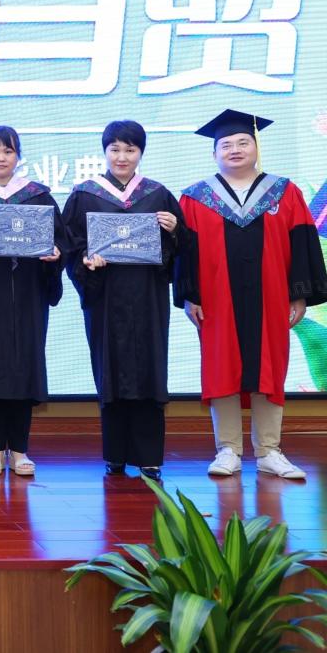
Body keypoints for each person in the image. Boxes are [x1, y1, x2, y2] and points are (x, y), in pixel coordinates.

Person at [176, 110, 327, 479]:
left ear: (256, 146)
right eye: (226, 144)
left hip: (271, 298)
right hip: (216, 301)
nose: (235, 149)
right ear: (214, 153)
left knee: (269, 367)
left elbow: (302, 245)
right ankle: (227, 449)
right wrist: (189, 295)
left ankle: (269, 451)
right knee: (221, 367)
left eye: (243, 142)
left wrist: (299, 294)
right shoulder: (196, 198)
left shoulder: (285, 192)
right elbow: (185, 253)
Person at [62, 120, 183, 482]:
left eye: (130, 149)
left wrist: (175, 230)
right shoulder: (85, 194)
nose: (122, 157)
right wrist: (86, 261)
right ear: (105, 152)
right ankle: (115, 454)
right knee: (110, 370)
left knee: (149, 370)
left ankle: (149, 457)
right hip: (106, 297)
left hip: (147, 299)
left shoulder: (158, 194)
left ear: (140, 152)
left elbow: (182, 250)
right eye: (115, 149)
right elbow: (70, 244)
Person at [0, 126, 65, 477]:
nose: (1, 158)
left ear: (19, 156)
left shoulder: (38, 196)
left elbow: (60, 240)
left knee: (24, 367)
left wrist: (55, 254)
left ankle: (19, 450)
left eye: (8, 151)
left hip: (27, 294)